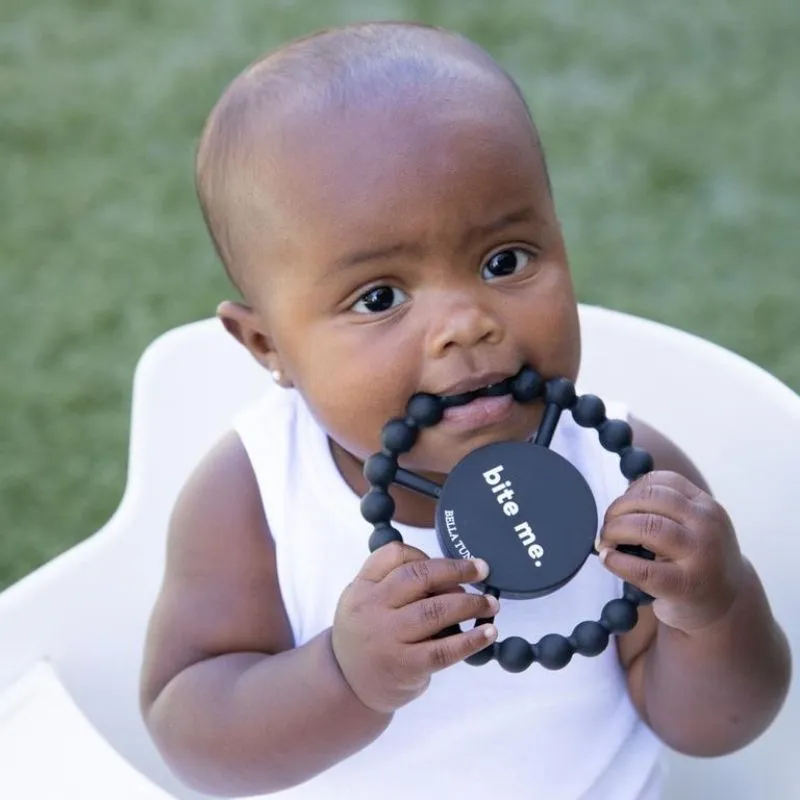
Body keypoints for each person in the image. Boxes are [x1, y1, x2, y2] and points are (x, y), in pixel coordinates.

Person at [139, 21, 791, 799]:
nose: (466, 323)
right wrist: (344, 675)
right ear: (266, 344)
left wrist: (713, 610)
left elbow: (716, 727)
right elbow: (194, 738)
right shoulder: (255, 496)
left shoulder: (630, 478)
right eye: (379, 297)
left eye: (504, 260)